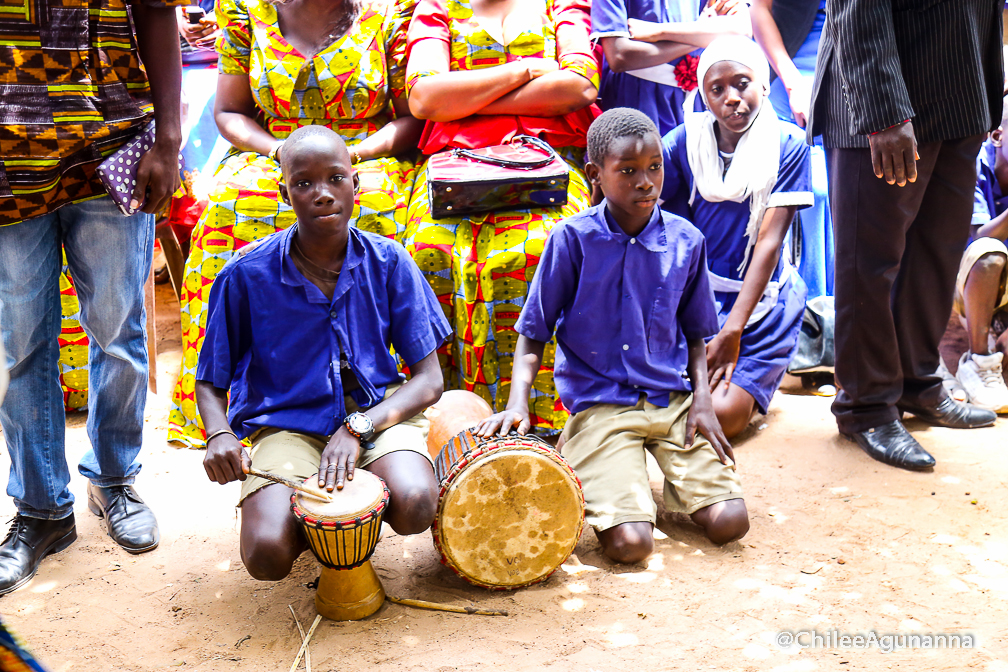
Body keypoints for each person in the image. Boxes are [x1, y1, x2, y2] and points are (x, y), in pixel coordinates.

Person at [475, 108, 748, 564]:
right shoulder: (572, 240)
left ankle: (649, 477)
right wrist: (517, 403)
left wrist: (702, 399)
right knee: (631, 545)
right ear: (595, 175)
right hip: (603, 405)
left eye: (655, 167)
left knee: (729, 524)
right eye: (628, 171)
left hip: (671, 402)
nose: (646, 182)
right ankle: (608, 466)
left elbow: (697, 333)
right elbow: (533, 331)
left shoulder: (687, 241)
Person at [168, 0, 425, 448]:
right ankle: (232, 409)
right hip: (274, 154)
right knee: (228, 216)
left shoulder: (390, 11)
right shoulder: (246, 12)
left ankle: (381, 389)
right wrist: (282, 155)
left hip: (366, 154)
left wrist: (349, 158)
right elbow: (229, 111)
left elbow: (409, 118)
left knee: (380, 216)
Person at [196, 127, 450, 580]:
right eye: (304, 183)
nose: (323, 194)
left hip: (376, 413)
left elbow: (430, 381)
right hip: (288, 423)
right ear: (284, 190)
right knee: (266, 555)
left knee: (414, 505)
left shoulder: (388, 261)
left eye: (336, 178)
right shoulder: (246, 275)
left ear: (356, 182)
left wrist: (357, 427)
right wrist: (218, 435)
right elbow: (210, 382)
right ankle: (315, 524)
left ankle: (353, 510)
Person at [0, 0, 183, 594]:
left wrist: (170, 140)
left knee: (118, 328)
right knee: (19, 342)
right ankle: (41, 511)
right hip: (6, 159)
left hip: (114, 142)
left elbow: (157, 10)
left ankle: (113, 478)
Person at [808, 0, 1002, 471]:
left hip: (961, 90)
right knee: (869, 262)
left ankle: (916, 380)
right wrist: (884, 114)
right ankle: (867, 406)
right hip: (882, 102)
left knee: (936, 252)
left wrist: (990, 90)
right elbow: (858, 10)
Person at [402, 0, 600, 436]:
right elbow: (424, 97)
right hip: (454, 166)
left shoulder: (560, 4)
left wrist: (466, 101)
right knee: (426, 248)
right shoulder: (437, 8)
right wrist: (526, 70)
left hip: (545, 163)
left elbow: (580, 85)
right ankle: (443, 425)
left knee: (546, 245)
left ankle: (550, 422)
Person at [660, 37, 811, 438]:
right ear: (703, 96)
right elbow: (670, 235)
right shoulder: (683, 144)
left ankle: (754, 380)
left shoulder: (787, 144)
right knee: (669, 397)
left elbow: (768, 241)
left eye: (742, 83)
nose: (731, 98)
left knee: (721, 417)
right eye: (717, 89)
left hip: (761, 304)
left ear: (763, 84)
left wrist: (732, 332)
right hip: (697, 299)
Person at [750, 0, 833, 300]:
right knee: (814, 192)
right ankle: (810, 308)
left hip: (854, 83)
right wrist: (792, 84)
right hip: (792, 83)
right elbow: (759, 9)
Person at [591, 0, 750, 135]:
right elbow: (619, 56)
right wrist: (703, 34)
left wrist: (659, 33)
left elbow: (741, 30)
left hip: (700, 103)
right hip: (638, 99)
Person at [950, 107, 1008, 413]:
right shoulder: (970, 165)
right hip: (962, 282)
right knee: (988, 253)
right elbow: (979, 239)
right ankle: (978, 360)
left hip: (1003, 293)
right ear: (997, 136)